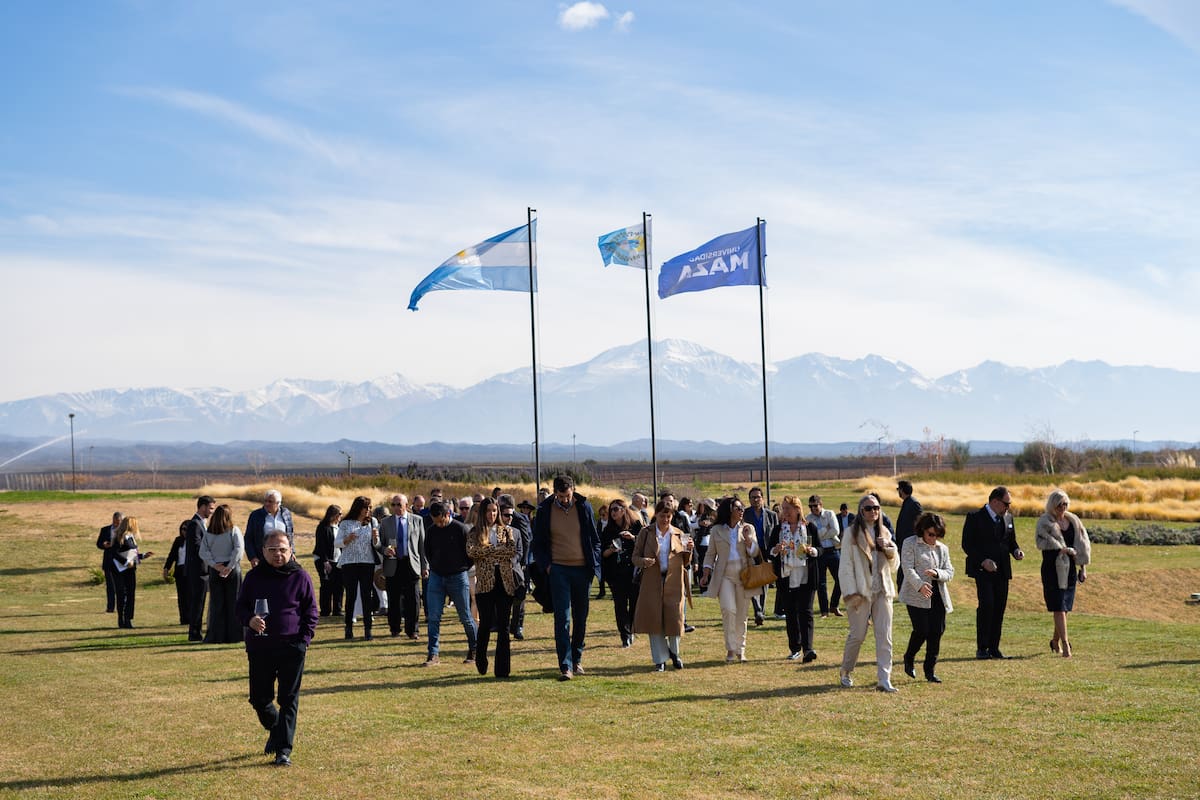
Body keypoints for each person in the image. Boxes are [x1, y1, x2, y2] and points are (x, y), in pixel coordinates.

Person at [235, 530, 318, 767]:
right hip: (260, 646)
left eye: (282, 549)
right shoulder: (253, 577)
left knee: (288, 699)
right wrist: (249, 620)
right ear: (263, 552)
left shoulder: (300, 576)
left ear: (290, 550)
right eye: (272, 550)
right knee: (259, 699)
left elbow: (311, 611)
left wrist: (304, 640)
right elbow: (240, 607)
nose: (278, 554)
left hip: (292, 646)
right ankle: (276, 727)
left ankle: (283, 750)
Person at [532, 474, 601, 681]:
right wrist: (548, 567)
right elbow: (538, 544)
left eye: (567, 495)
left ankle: (577, 658)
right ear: (554, 493)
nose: (564, 499)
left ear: (573, 490)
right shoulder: (544, 510)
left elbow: (594, 539)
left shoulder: (584, 507)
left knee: (581, 617)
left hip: (582, 570)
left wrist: (592, 566)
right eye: (560, 496)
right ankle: (565, 665)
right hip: (558, 570)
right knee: (562, 618)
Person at [838, 495, 900, 692]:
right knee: (858, 634)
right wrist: (850, 592)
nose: (873, 511)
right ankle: (846, 670)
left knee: (884, 635)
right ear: (861, 511)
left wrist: (888, 549)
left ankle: (884, 678)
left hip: (882, 590)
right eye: (868, 508)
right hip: (861, 591)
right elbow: (845, 565)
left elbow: (894, 564)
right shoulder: (851, 533)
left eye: (876, 508)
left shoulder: (885, 532)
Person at [962, 486, 1024, 660]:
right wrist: (983, 560)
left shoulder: (1008, 518)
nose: (1008, 508)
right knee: (987, 606)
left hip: (1002, 571)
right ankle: (982, 648)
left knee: (999, 608)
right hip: (983, 570)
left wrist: (1017, 551)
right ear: (995, 502)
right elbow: (967, 544)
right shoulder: (975, 517)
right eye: (1006, 504)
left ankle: (994, 648)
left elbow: (1011, 541)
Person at [631, 499, 693, 671]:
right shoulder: (646, 533)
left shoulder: (680, 533)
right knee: (654, 620)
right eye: (661, 516)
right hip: (652, 582)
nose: (665, 519)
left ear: (672, 516)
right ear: (655, 515)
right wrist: (644, 561)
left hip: (674, 581)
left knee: (675, 619)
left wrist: (690, 550)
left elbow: (687, 562)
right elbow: (634, 558)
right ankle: (660, 660)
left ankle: (675, 654)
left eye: (668, 516)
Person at [700, 496, 759, 663]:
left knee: (742, 614)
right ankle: (731, 649)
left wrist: (748, 539)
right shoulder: (717, 530)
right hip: (724, 574)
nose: (741, 511)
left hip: (744, 574)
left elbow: (755, 552)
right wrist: (705, 573)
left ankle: (741, 649)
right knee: (728, 610)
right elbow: (710, 554)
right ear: (729, 510)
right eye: (737, 508)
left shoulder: (748, 528)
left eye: (742, 508)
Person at [466, 497, 521, 678]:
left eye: (495, 511)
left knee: (504, 627)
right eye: (489, 511)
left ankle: (502, 669)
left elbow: (511, 550)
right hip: (485, 583)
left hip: (504, 582)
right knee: (486, 624)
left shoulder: (506, 531)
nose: (492, 514)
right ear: (483, 512)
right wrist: (494, 551)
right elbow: (472, 551)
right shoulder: (475, 532)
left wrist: (488, 551)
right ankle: (480, 658)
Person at [1035, 489, 1092, 658]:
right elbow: (1040, 542)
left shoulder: (1073, 520)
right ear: (1053, 504)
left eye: (1065, 504)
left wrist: (1083, 568)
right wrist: (1061, 549)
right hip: (1052, 568)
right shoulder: (1044, 522)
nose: (1063, 507)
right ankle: (1066, 646)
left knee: (1065, 608)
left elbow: (1083, 545)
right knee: (1058, 607)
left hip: (1070, 570)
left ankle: (1055, 640)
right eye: (1060, 504)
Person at [899, 512, 955, 683]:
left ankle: (930, 671)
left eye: (937, 535)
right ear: (922, 530)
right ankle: (909, 657)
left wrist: (937, 573)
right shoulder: (910, 543)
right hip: (915, 595)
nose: (934, 538)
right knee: (922, 630)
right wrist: (920, 585)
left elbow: (950, 572)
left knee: (937, 632)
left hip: (937, 595)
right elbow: (907, 569)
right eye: (931, 534)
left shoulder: (942, 549)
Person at [422, 500, 478, 666]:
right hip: (436, 577)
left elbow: (470, 554)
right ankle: (433, 654)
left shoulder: (461, 529)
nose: (438, 524)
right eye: (435, 521)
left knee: (465, 616)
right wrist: (436, 567)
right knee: (433, 617)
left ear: (448, 515)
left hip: (458, 577)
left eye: (441, 521)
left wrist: (461, 568)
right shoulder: (431, 531)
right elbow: (428, 552)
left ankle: (474, 649)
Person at [769, 496, 819, 663]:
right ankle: (795, 648)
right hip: (786, 576)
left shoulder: (809, 527)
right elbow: (770, 551)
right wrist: (776, 550)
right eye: (784, 509)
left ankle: (808, 649)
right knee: (791, 613)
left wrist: (813, 551)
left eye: (788, 509)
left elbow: (820, 548)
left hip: (806, 575)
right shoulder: (778, 530)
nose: (785, 512)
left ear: (798, 509)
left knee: (806, 612)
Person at [379, 494, 428, 640]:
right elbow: (378, 544)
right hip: (393, 563)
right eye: (393, 505)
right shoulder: (385, 522)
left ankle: (412, 630)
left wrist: (425, 566)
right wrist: (384, 550)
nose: (396, 508)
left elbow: (422, 546)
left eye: (398, 505)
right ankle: (394, 628)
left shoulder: (417, 520)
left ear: (406, 505)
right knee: (393, 597)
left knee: (412, 599)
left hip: (411, 563)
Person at [335, 496, 381, 641]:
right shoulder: (345, 523)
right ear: (358, 508)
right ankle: (348, 628)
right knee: (351, 596)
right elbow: (337, 543)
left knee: (367, 596)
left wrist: (375, 538)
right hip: (349, 563)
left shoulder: (372, 522)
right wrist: (346, 540)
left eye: (370, 508)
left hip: (367, 563)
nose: (368, 510)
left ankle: (368, 630)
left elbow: (376, 544)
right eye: (365, 507)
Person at [200, 503, 245, 644]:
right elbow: (238, 549)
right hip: (231, 570)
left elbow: (203, 552)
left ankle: (216, 635)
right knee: (234, 602)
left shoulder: (208, 533)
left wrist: (214, 565)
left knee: (217, 604)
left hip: (216, 569)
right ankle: (235, 635)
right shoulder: (233, 530)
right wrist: (230, 566)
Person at [600, 498, 642, 647]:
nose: (612, 512)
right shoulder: (607, 531)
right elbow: (602, 554)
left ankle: (631, 629)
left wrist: (632, 538)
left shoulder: (636, 526)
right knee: (620, 605)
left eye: (616, 509)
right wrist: (611, 549)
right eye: (611, 510)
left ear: (624, 510)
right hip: (616, 573)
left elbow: (645, 545)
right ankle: (625, 636)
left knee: (635, 603)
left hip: (634, 572)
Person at [498, 494, 532, 641]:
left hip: (519, 564)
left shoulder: (519, 519)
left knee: (520, 597)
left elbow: (526, 541)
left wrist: (522, 563)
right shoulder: (496, 520)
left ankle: (517, 625)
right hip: (501, 565)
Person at [185, 496, 217, 641]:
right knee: (197, 603)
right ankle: (194, 633)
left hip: (204, 571)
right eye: (210, 508)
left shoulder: (202, 523)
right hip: (198, 571)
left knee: (201, 602)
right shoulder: (194, 524)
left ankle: (196, 631)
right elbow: (196, 547)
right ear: (202, 507)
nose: (211, 511)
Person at [744, 487, 778, 627]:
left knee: (764, 581)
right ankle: (757, 608)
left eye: (758, 497)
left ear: (763, 498)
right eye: (752, 497)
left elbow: (776, 533)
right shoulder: (745, 514)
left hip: (766, 551)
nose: (755, 500)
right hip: (751, 550)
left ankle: (760, 611)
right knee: (753, 580)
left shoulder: (771, 515)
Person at [111, 516, 152, 628]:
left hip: (131, 570)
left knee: (130, 594)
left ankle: (128, 619)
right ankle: (121, 619)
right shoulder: (119, 537)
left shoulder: (131, 538)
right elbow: (114, 553)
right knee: (122, 594)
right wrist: (125, 562)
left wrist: (143, 555)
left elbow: (132, 554)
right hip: (121, 570)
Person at [808, 495, 843, 618]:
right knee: (821, 583)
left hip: (833, 550)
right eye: (810, 506)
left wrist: (820, 532)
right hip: (819, 551)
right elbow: (812, 537)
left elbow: (836, 531)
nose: (813, 508)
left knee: (841, 579)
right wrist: (825, 530)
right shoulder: (808, 519)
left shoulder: (829, 514)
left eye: (815, 506)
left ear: (820, 505)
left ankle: (834, 605)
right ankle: (824, 611)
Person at [244, 490, 295, 568]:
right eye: (265, 501)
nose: (267, 504)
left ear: (278, 503)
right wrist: (253, 557)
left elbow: (290, 535)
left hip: (283, 557)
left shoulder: (286, 514)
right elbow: (248, 538)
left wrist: (292, 552)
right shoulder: (255, 515)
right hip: (262, 558)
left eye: (270, 501)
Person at [311, 505, 344, 618]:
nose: (341, 516)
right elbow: (321, 546)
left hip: (338, 560)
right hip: (324, 560)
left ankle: (337, 610)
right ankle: (325, 610)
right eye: (339, 514)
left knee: (339, 585)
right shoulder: (323, 527)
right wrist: (325, 562)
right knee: (326, 585)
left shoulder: (339, 527)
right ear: (333, 514)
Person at [894, 480, 923, 593]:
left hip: (911, 545)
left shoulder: (913, 503)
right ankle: (904, 591)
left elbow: (920, 524)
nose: (898, 492)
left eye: (898, 489)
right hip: (904, 544)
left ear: (902, 490)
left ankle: (907, 591)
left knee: (906, 570)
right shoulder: (907, 502)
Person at [162, 520, 190, 624]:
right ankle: (183, 618)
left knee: (190, 596)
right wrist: (166, 568)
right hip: (180, 571)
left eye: (186, 529)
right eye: (183, 529)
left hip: (191, 571)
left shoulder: (195, 541)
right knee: (182, 596)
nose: (184, 532)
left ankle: (191, 617)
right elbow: (172, 555)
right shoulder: (178, 540)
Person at [96, 511, 123, 613]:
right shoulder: (105, 530)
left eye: (119, 522)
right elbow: (98, 544)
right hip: (108, 562)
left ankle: (121, 607)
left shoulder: (125, 531)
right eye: (115, 521)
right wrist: (104, 545)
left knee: (121, 586)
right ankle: (110, 607)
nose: (116, 523)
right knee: (110, 586)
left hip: (121, 562)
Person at [692, 499, 716, 589]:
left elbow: (702, 531)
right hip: (710, 541)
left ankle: (704, 587)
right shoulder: (713, 516)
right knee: (710, 565)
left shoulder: (705, 516)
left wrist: (697, 542)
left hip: (703, 543)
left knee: (703, 565)